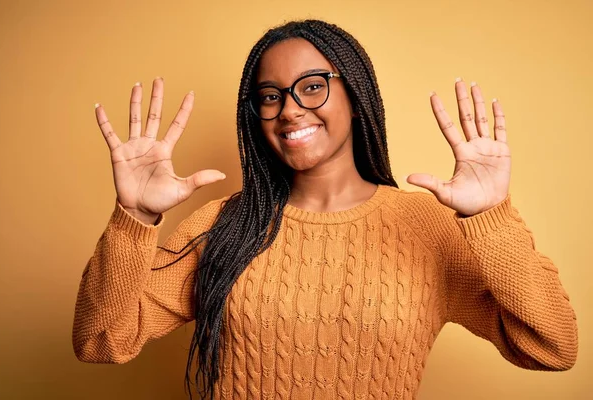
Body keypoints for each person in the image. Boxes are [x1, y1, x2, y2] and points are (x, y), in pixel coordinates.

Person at [72, 19, 578, 400]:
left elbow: (552, 347)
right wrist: (133, 218)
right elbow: (101, 342)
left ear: (355, 96)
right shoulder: (227, 224)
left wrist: (493, 217)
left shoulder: (429, 228)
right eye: (269, 96)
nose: (289, 108)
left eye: (312, 86)